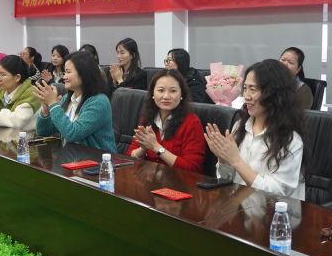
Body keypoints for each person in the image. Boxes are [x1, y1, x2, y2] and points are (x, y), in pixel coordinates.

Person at [204, 59, 306, 200]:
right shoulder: (240, 126)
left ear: (274, 94)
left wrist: (236, 161)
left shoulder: (290, 139)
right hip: (241, 207)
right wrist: (223, 159)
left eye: (253, 89)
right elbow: (226, 180)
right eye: (245, 88)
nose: (246, 96)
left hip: (275, 211)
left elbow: (277, 192)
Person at [35, 51, 116, 152]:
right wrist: (46, 111)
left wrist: (53, 104)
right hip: (71, 157)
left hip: (97, 160)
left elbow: (73, 134)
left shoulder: (99, 102)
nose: (64, 77)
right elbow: (43, 132)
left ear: (84, 73)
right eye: (64, 72)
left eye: (68, 72)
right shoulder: (67, 99)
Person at [126, 69, 205, 173]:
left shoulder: (192, 123)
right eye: (161, 90)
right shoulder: (148, 117)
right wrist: (143, 149)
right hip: (150, 179)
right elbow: (129, 155)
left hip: (178, 180)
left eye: (173, 91)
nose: (166, 96)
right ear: (153, 93)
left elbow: (192, 168)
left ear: (181, 94)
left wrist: (156, 147)